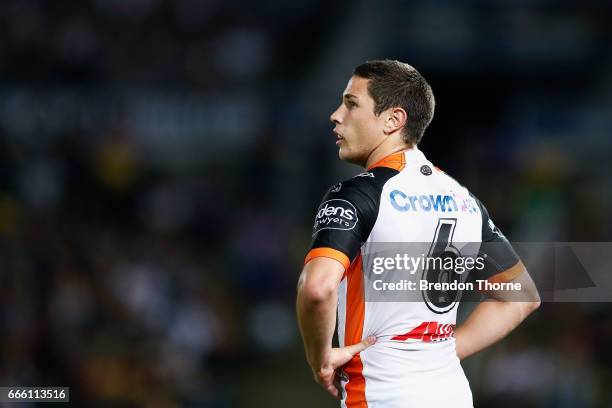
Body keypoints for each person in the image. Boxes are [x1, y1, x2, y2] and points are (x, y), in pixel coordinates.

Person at [296, 60, 540, 407]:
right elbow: (521, 296)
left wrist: (318, 356)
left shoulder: (357, 195)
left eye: (351, 104)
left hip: (382, 395)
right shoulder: (463, 200)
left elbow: (317, 289)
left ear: (393, 120)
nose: (336, 115)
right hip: (452, 395)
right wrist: (440, 354)